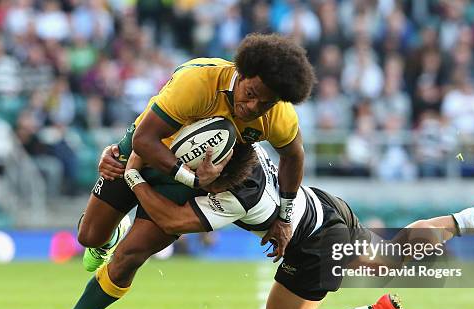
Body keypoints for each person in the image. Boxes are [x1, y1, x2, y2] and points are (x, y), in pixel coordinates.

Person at [48, 143, 474, 309]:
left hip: (315, 244)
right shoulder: (241, 152)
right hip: (324, 208)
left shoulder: (238, 195)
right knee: (391, 256)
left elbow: (174, 219)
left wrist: (132, 174)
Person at [79, 33, 316, 273]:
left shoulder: (279, 117)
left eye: (265, 103)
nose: (253, 107)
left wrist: (285, 218)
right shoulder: (199, 79)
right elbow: (144, 138)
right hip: (146, 148)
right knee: (89, 237)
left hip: (190, 171)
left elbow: (294, 157)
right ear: (240, 74)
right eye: (251, 94)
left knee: (129, 256)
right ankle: (111, 236)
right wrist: (190, 178)